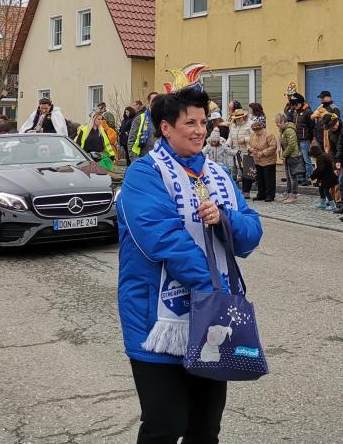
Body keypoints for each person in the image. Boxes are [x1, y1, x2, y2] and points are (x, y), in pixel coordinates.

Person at [116, 86, 263, 444]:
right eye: (190, 122)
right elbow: (165, 241)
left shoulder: (218, 175)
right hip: (156, 319)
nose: (200, 130)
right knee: (165, 425)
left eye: (203, 121)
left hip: (211, 316)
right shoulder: (144, 175)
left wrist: (224, 218)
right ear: (166, 128)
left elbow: (252, 232)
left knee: (205, 427)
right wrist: (214, 294)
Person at [247, 116, 277, 202]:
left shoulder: (269, 135)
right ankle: (261, 194)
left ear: (262, 129)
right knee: (260, 179)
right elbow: (249, 144)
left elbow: (273, 147)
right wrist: (250, 149)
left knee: (269, 179)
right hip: (257, 160)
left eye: (257, 131)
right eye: (255, 131)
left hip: (268, 161)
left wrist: (263, 153)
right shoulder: (253, 135)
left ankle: (270, 195)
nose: (256, 133)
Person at [275, 113, 300, 203]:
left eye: (278, 122)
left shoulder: (289, 130)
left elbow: (292, 145)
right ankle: (289, 193)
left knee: (293, 177)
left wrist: (283, 155)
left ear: (283, 121)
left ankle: (294, 195)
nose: (277, 124)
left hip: (292, 156)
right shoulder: (283, 130)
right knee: (288, 177)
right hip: (288, 156)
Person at [127, 94, 158, 160]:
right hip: (142, 159)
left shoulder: (164, 120)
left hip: (160, 160)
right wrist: (134, 160)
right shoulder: (139, 119)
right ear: (148, 103)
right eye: (153, 100)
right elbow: (131, 141)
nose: (156, 103)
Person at [310, 142, 338, 211]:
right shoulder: (323, 155)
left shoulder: (320, 158)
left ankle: (332, 205)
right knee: (321, 189)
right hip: (325, 177)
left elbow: (320, 169)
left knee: (326, 191)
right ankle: (322, 203)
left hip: (327, 178)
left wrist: (312, 176)